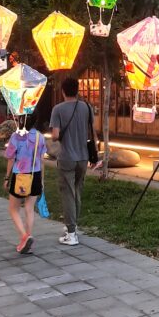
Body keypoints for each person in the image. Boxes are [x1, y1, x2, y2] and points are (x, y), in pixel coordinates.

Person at [50, 77, 97, 246]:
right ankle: (73, 225)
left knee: (68, 193)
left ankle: (71, 233)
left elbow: (55, 135)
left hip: (67, 157)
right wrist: (95, 155)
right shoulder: (86, 107)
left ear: (63, 91)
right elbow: (92, 131)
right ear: (77, 90)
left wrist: (57, 135)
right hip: (83, 157)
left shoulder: (58, 109)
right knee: (77, 191)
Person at [4, 114, 46, 254]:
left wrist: (6, 177)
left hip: (19, 175)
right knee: (29, 208)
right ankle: (28, 238)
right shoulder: (40, 136)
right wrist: (42, 180)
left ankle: (24, 236)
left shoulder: (16, 137)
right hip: (35, 174)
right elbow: (41, 159)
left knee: (13, 208)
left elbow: (10, 159)